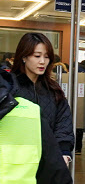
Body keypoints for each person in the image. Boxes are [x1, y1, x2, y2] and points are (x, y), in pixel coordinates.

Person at [11, 33, 74, 166]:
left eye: (46, 57)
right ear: (23, 57)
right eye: (37, 56)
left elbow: (63, 122)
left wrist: (64, 152)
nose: (42, 61)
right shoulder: (9, 87)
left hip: (48, 162)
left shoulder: (53, 89)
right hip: (15, 162)